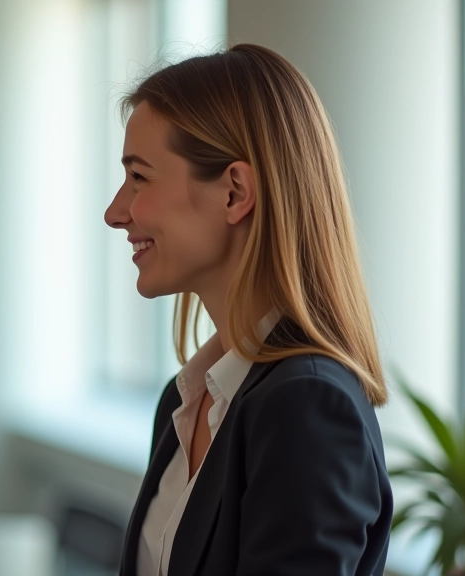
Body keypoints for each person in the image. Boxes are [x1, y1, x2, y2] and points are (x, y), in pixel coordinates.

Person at [104, 44, 392, 576]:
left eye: (139, 177)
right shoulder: (186, 401)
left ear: (235, 192)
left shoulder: (307, 404)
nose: (115, 212)